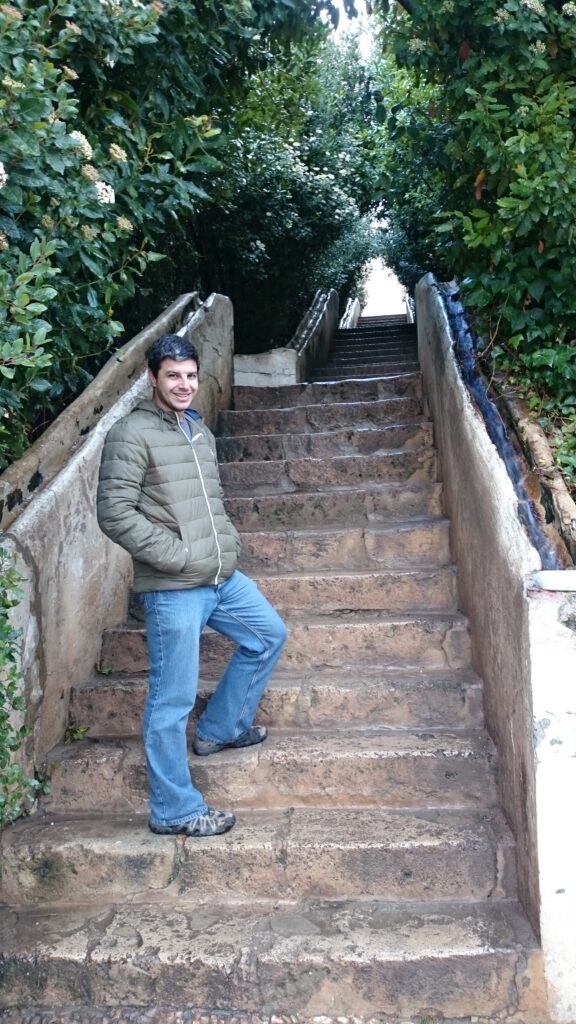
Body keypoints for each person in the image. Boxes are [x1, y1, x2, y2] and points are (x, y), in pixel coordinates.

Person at [97, 334, 288, 838]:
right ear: (152, 378)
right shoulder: (131, 434)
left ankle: (220, 730)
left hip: (220, 576)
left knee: (268, 635)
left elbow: (212, 498)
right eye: (173, 376)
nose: (184, 385)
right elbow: (114, 513)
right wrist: (178, 556)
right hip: (173, 586)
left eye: (190, 375)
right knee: (171, 698)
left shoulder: (197, 430)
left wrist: (224, 543)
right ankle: (174, 809)